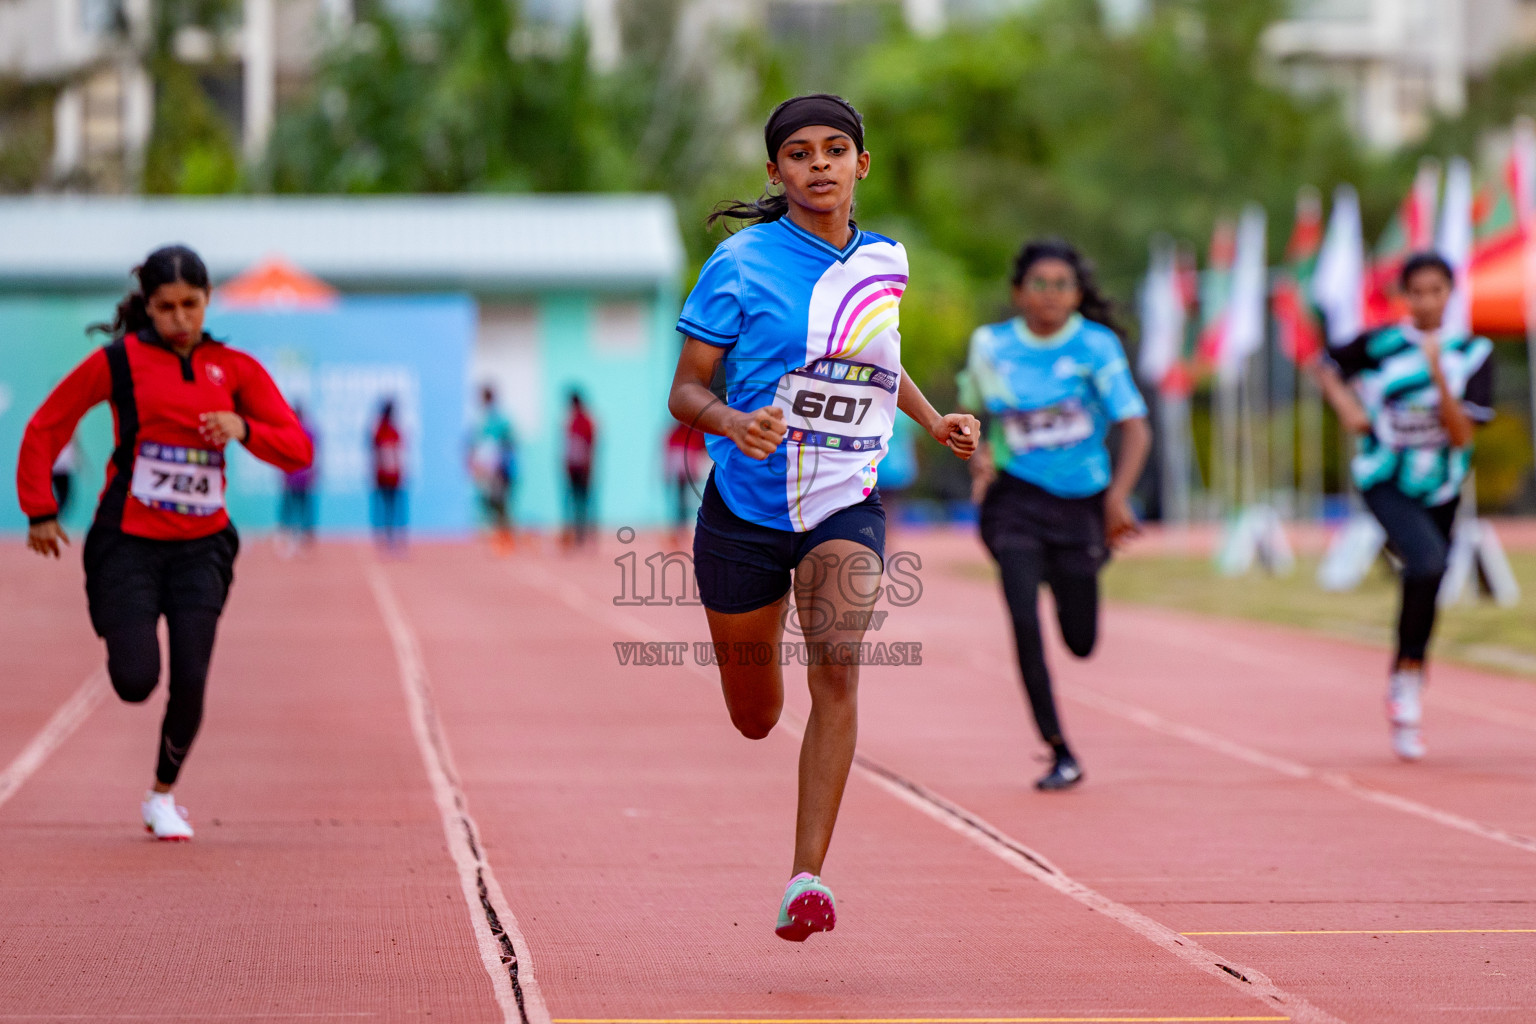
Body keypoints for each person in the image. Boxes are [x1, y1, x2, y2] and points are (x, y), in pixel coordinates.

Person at [669, 94, 979, 941]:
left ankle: (806, 878)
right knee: (756, 715)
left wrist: (932, 417)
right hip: (747, 507)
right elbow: (686, 389)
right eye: (799, 153)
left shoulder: (885, 261)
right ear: (776, 172)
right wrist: (735, 421)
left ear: (861, 165)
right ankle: (754, 682)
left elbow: (878, 357)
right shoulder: (737, 264)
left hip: (846, 494)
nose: (819, 164)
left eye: (835, 149)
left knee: (838, 661)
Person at [16, 244, 312, 840]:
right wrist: (40, 509)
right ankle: (122, 632)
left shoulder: (236, 369)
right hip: (127, 543)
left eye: (191, 305)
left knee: (192, 678)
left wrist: (244, 427)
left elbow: (298, 449)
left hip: (202, 548)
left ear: (207, 301)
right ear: (147, 307)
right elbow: (47, 424)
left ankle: (162, 795)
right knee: (134, 679)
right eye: (166, 307)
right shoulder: (118, 362)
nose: (180, 318)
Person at [958, 239, 1151, 792]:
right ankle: (1059, 749)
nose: (1049, 295)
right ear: (1018, 293)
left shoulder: (1096, 346)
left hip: (1082, 504)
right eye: (1038, 284)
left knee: (1081, 641)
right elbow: (973, 414)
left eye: (1062, 285)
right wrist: (981, 461)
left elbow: (1135, 427)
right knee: (1023, 620)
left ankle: (1062, 568)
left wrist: (1117, 498)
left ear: (1077, 294)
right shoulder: (991, 345)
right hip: (1014, 502)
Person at [1309, 252, 1494, 761]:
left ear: (1450, 294)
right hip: (1385, 475)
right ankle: (1407, 680)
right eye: (1418, 291)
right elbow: (1323, 364)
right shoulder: (1383, 343)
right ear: (1405, 296)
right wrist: (1347, 406)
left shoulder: (1472, 353)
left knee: (1428, 577)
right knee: (1428, 562)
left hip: (1442, 483)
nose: (1427, 300)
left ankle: (1406, 673)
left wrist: (1438, 379)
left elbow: (1461, 437)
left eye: (1437, 290)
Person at [468, 385, 516, 553]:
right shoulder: (482, 420)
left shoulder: (499, 420)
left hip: (500, 469)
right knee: (491, 502)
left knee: (501, 503)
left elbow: (508, 444)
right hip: (489, 469)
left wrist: (503, 465)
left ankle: (505, 537)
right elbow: (476, 446)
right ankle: (500, 536)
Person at [277, 402, 318, 554]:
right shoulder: (306, 431)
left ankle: (297, 535)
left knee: (297, 508)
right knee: (297, 507)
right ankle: (298, 535)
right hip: (298, 477)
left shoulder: (298, 431)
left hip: (297, 477)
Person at [664, 418, 709, 543]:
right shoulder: (683, 432)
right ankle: (681, 530)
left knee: (687, 500)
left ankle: (684, 529)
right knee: (684, 500)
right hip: (686, 468)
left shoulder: (688, 432)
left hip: (691, 468)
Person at [371, 399, 406, 553]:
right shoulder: (380, 430)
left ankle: (394, 538)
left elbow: (398, 453)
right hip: (383, 476)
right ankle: (384, 537)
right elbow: (375, 453)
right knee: (384, 507)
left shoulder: (392, 431)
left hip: (393, 476)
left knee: (393, 508)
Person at [563, 390, 595, 548]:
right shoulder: (571, 420)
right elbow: (568, 445)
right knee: (573, 501)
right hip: (572, 466)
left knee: (585, 501)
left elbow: (591, 445)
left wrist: (589, 466)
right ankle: (576, 535)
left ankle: (587, 535)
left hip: (583, 467)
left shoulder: (586, 421)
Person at [51, 435, 83, 520]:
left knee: (62, 496)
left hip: (57, 466)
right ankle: (52, 518)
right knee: (64, 496)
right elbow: (77, 445)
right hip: (61, 466)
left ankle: (53, 518)